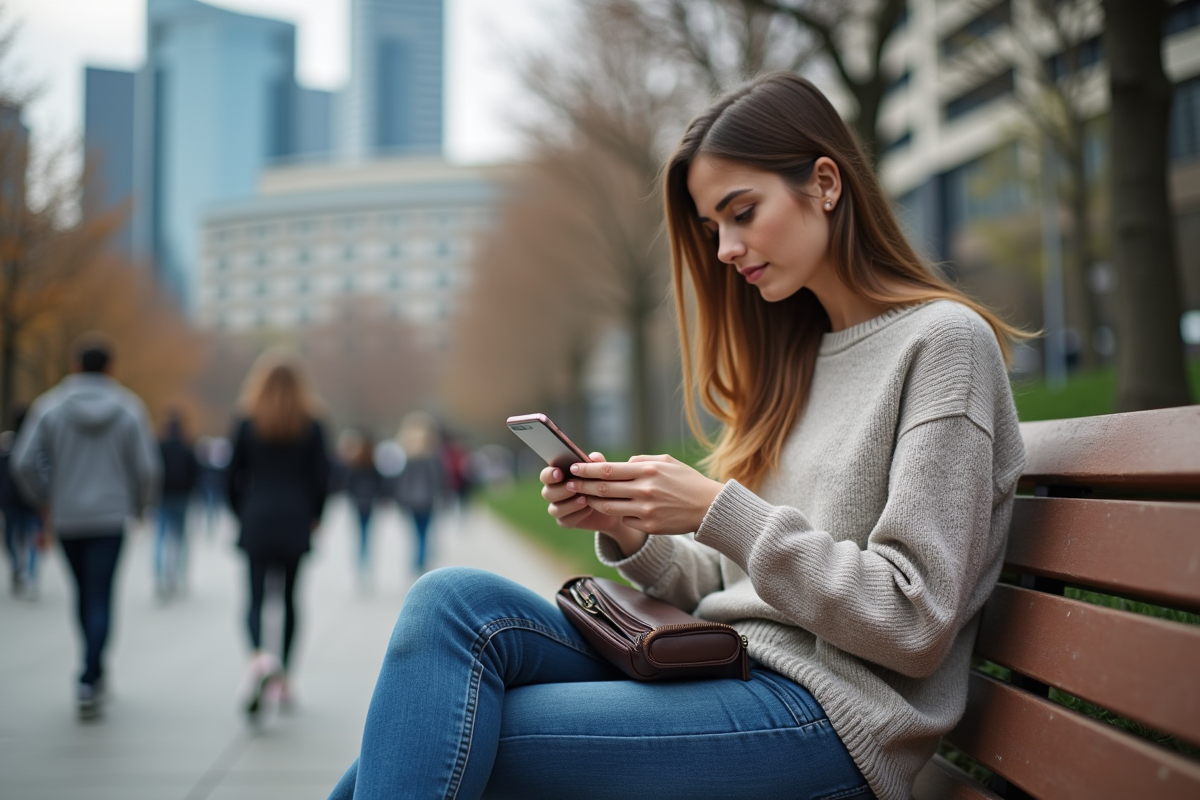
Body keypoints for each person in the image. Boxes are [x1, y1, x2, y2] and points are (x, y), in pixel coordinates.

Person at [328, 73, 1027, 800]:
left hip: (831, 721)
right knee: (449, 603)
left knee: (444, 728)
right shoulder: (794, 360)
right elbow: (734, 587)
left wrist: (716, 509)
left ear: (825, 183)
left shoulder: (943, 345)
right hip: (726, 667)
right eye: (713, 228)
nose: (725, 249)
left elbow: (912, 621)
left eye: (742, 212)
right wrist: (633, 531)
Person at [11, 335, 161, 719]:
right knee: (101, 594)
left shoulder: (49, 407)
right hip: (111, 518)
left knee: (82, 593)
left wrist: (45, 498)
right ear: (110, 368)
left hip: (68, 517)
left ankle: (89, 670)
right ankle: (93, 673)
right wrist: (140, 506)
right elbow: (147, 468)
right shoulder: (129, 409)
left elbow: (23, 461)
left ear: (76, 366)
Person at [226, 352, 330, 721]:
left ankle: (258, 657)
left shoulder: (247, 421)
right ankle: (283, 677)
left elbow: (231, 475)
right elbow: (322, 478)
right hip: (295, 520)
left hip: (257, 517)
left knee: (254, 598)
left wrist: (240, 512)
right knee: (289, 600)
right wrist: (316, 516)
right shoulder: (312, 424)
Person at [392, 412, 444, 575]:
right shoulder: (430, 456)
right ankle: (420, 562)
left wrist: (401, 500)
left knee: (416, 533)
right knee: (424, 533)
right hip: (426, 500)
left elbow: (402, 481)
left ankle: (417, 561)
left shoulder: (408, 456)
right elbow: (436, 479)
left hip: (411, 500)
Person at [155, 410, 199, 599]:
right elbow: (196, 473)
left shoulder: (159, 446)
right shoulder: (187, 446)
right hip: (182, 497)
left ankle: (160, 577)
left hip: (162, 497)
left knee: (160, 538)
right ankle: (180, 577)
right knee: (181, 540)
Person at [2, 408, 42, 598]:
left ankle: (22, 570)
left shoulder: (6, 445)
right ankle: (27, 573)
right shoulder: (33, 444)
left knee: (14, 536)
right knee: (30, 536)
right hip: (26, 500)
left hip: (13, 500)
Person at [338, 430, 383, 576]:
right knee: (367, 533)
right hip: (369, 501)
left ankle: (360, 561)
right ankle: (365, 560)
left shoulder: (355, 463)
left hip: (358, 502)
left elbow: (348, 484)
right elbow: (379, 483)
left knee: (359, 533)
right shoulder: (372, 463)